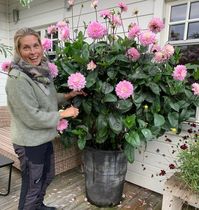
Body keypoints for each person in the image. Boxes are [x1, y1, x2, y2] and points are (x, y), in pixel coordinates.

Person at [5, 28, 84, 210]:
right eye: (26, 48)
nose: (33, 52)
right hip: (29, 142)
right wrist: (63, 114)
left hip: (44, 137)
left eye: (35, 45)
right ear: (19, 51)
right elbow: (31, 116)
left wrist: (68, 95)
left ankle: (38, 206)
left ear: (41, 46)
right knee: (33, 184)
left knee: (47, 176)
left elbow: (48, 98)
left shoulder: (39, 71)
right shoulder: (18, 78)